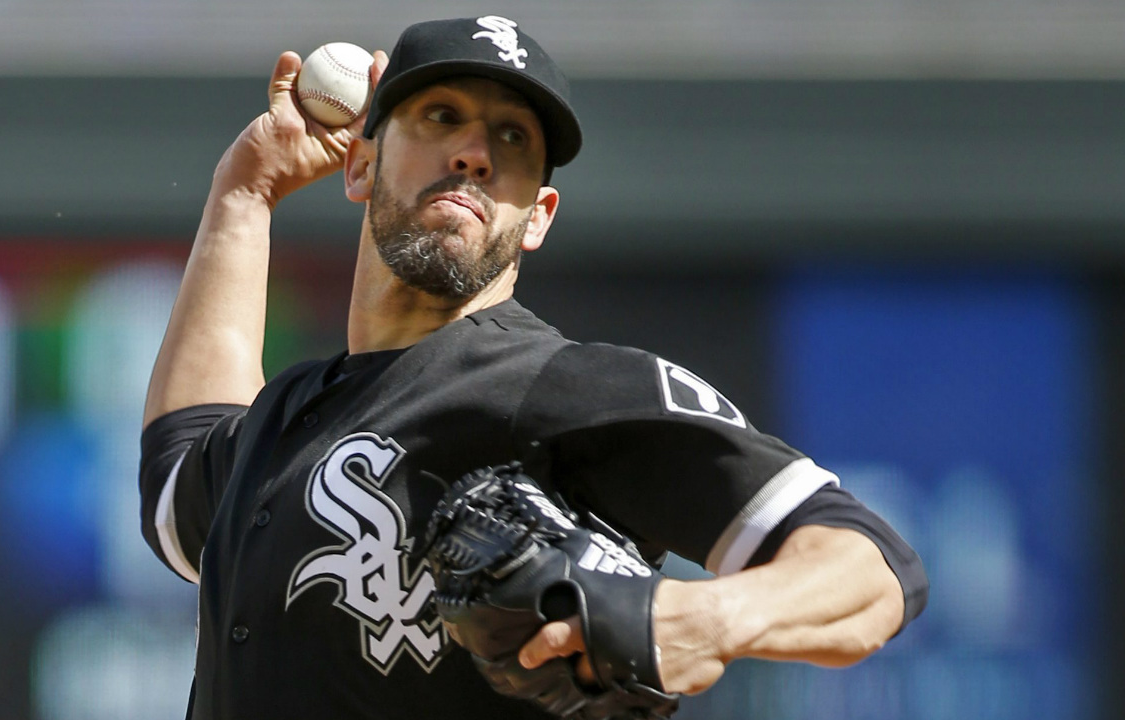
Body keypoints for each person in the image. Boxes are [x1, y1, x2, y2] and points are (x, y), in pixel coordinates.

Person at [139, 15, 928, 720]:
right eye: (440, 116)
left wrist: (697, 621)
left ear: (537, 219)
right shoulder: (285, 417)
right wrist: (245, 195)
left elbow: (869, 563)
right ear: (360, 167)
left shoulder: (561, 389)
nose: (475, 154)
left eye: (513, 139)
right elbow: (177, 489)